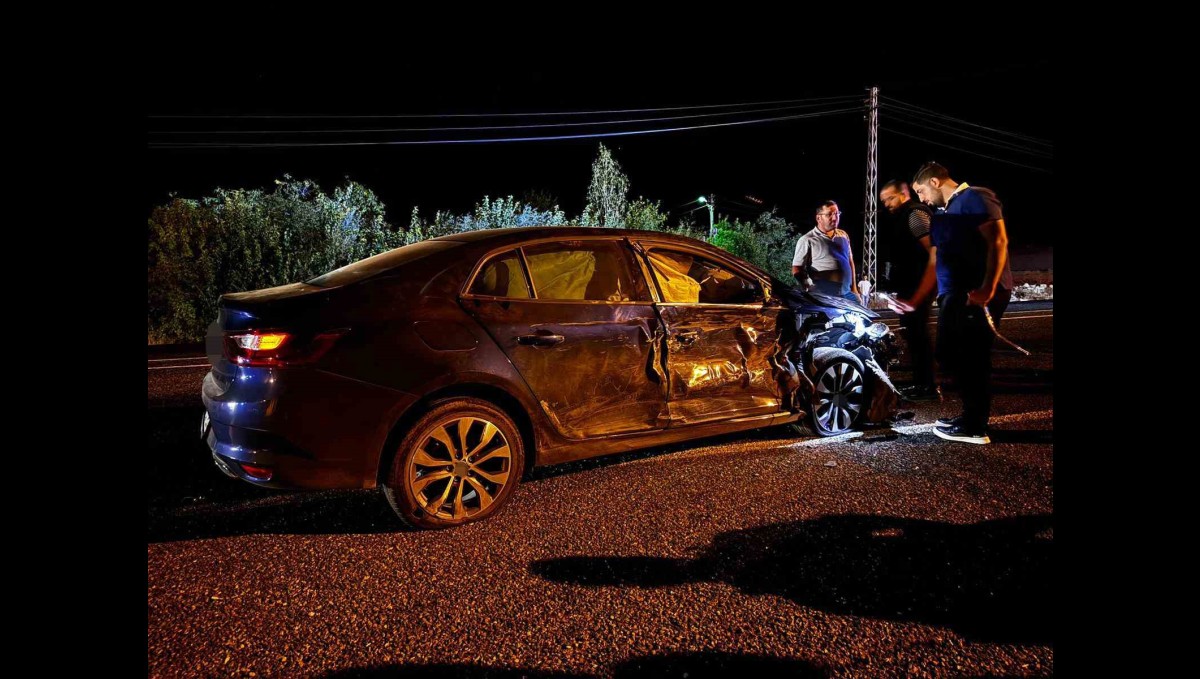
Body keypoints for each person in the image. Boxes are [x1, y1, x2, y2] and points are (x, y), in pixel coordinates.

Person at [905, 162, 1014, 444]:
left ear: (935, 182)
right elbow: (938, 257)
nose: (921, 200)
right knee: (950, 355)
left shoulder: (975, 196)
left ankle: (975, 425)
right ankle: (970, 415)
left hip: (975, 293)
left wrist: (988, 287)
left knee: (972, 357)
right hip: (955, 296)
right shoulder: (945, 212)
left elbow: (998, 241)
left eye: (921, 191)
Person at [879, 179, 940, 401]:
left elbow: (934, 252)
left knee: (918, 335)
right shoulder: (903, 216)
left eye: (890, 198)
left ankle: (928, 387)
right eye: (884, 201)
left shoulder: (915, 215)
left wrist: (918, 295)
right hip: (909, 285)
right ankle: (921, 383)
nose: (887, 204)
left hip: (918, 285)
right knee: (912, 334)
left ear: (904, 193)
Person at [792, 200, 860, 302]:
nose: (834, 218)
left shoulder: (843, 235)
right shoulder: (807, 239)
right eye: (829, 214)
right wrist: (809, 286)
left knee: (861, 316)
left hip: (847, 294)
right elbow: (797, 269)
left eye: (837, 214)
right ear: (818, 218)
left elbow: (850, 262)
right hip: (825, 296)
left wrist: (854, 289)